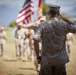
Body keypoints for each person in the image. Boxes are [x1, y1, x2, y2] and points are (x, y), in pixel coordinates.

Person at [33, 5, 76, 75]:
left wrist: (38, 57)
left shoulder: (41, 25)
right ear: (59, 14)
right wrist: (65, 19)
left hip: (46, 60)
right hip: (60, 60)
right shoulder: (64, 25)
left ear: (48, 13)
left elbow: (35, 41)